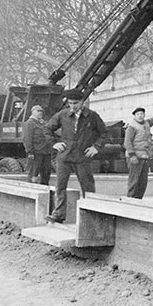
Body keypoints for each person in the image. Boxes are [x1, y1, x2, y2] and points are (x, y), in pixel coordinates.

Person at [44, 89, 107, 224]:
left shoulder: (92, 116)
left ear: (82, 102)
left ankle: (91, 214)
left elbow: (104, 133)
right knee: (60, 186)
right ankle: (58, 215)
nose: (73, 106)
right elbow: (47, 129)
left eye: (76, 103)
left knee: (88, 187)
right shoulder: (62, 115)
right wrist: (54, 143)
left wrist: (96, 147)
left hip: (82, 157)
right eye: (70, 103)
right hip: (64, 157)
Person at [124, 101, 153, 198]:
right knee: (134, 180)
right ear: (134, 116)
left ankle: (138, 200)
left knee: (143, 182)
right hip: (135, 158)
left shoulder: (147, 123)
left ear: (144, 115)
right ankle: (130, 199)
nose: (140, 116)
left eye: (142, 114)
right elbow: (127, 142)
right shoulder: (131, 127)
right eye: (138, 114)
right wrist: (132, 155)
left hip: (144, 157)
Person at [23, 105, 53, 186]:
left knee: (46, 172)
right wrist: (30, 152)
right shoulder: (30, 123)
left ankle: (45, 189)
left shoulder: (43, 123)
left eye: (41, 111)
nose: (40, 113)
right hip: (36, 151)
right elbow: (27, 138)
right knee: (34, 172)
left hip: (46, 151)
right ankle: (31, 189)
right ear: (32, 112)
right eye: (38, 111)